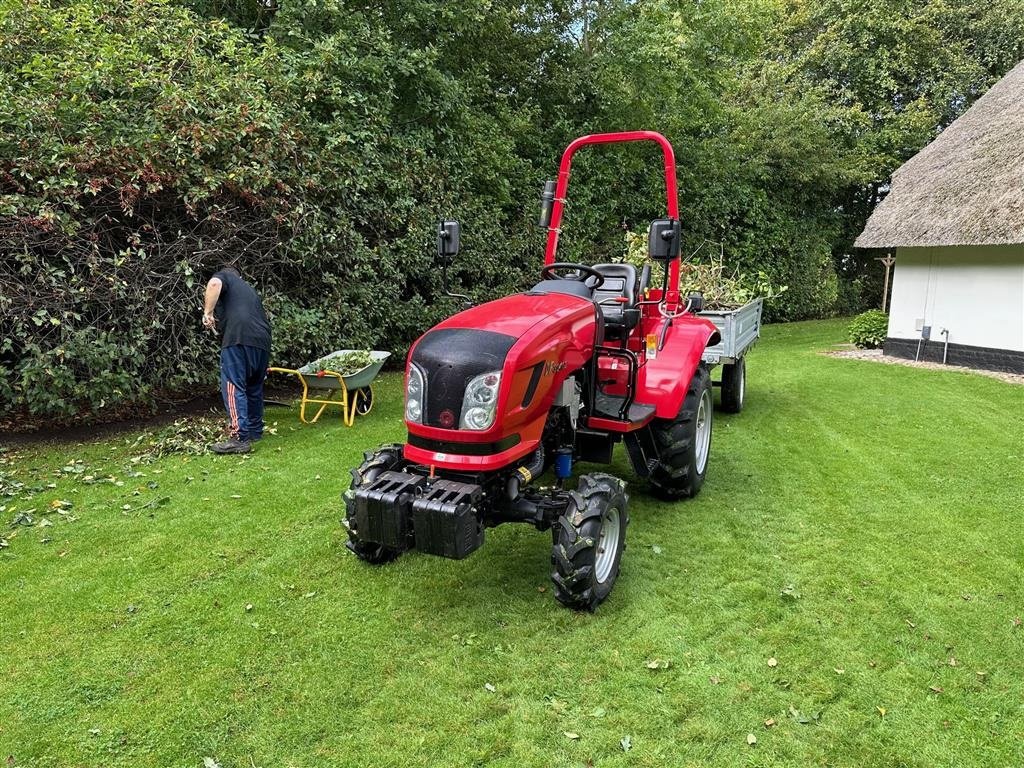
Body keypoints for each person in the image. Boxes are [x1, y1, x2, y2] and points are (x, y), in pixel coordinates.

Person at [202, 265, 272, 454]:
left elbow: (214, 284)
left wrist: (208, 312)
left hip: (238, 338)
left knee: (234, 386)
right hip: (262, 341)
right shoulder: (249, 291)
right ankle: (254, 431)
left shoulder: (224, 277)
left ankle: (239, 437)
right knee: (254, 387)